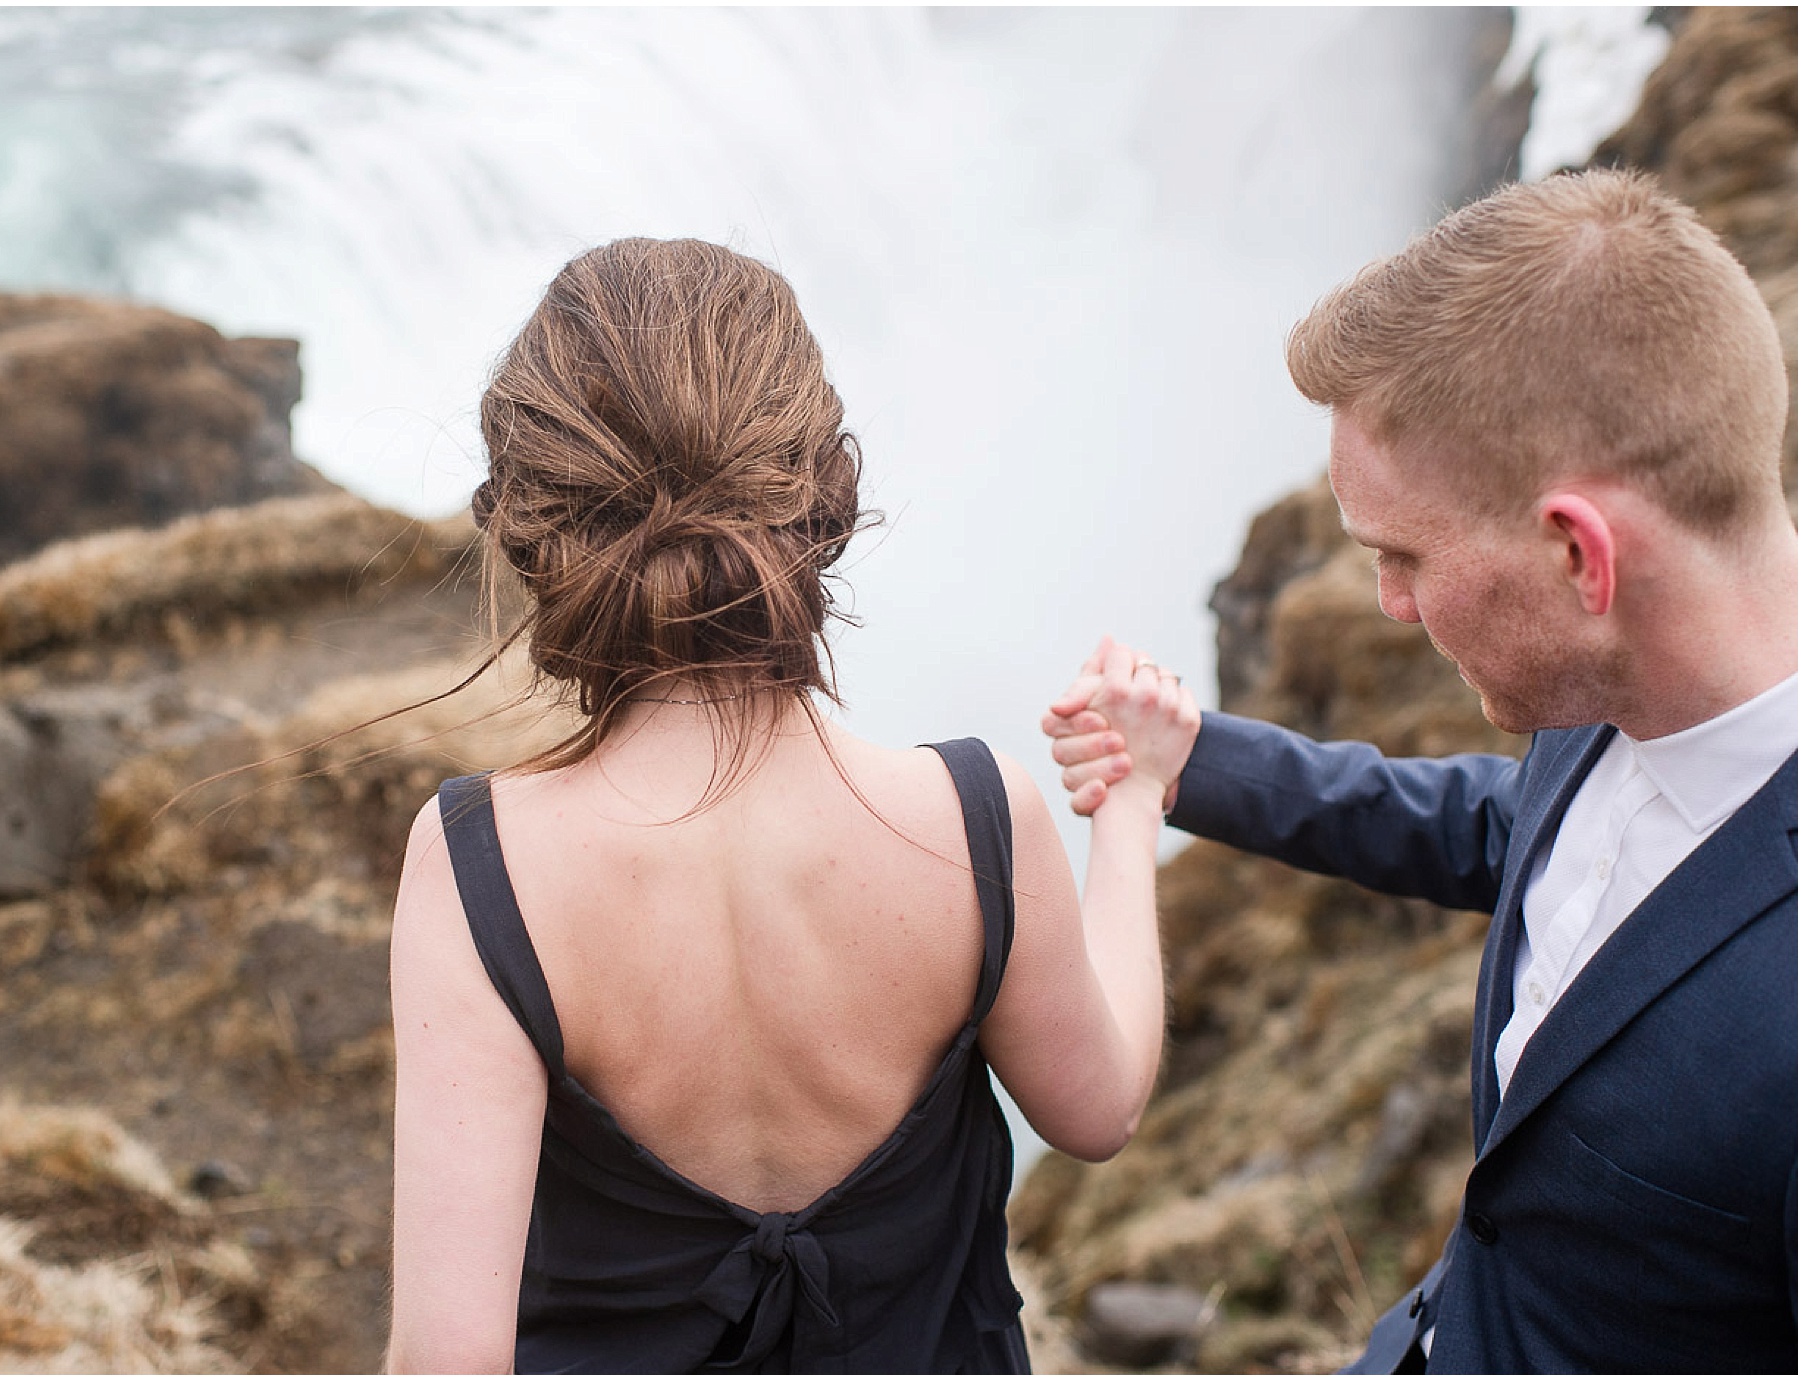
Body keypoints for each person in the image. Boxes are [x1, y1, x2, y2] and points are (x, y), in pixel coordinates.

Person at [384, 237, 1198, 1372]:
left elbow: (445, 1363)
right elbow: (1097, 1109)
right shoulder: (974, 815)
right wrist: (1131, 803)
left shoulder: (482, 862)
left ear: (530, 524)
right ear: (825, 497)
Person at [1045, 168, 1797, 1372]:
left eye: (1400, 556)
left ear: (1576, 553)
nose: (1388, 606)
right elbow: (1508, 830)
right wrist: (1193, 761)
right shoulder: (1621, 686)